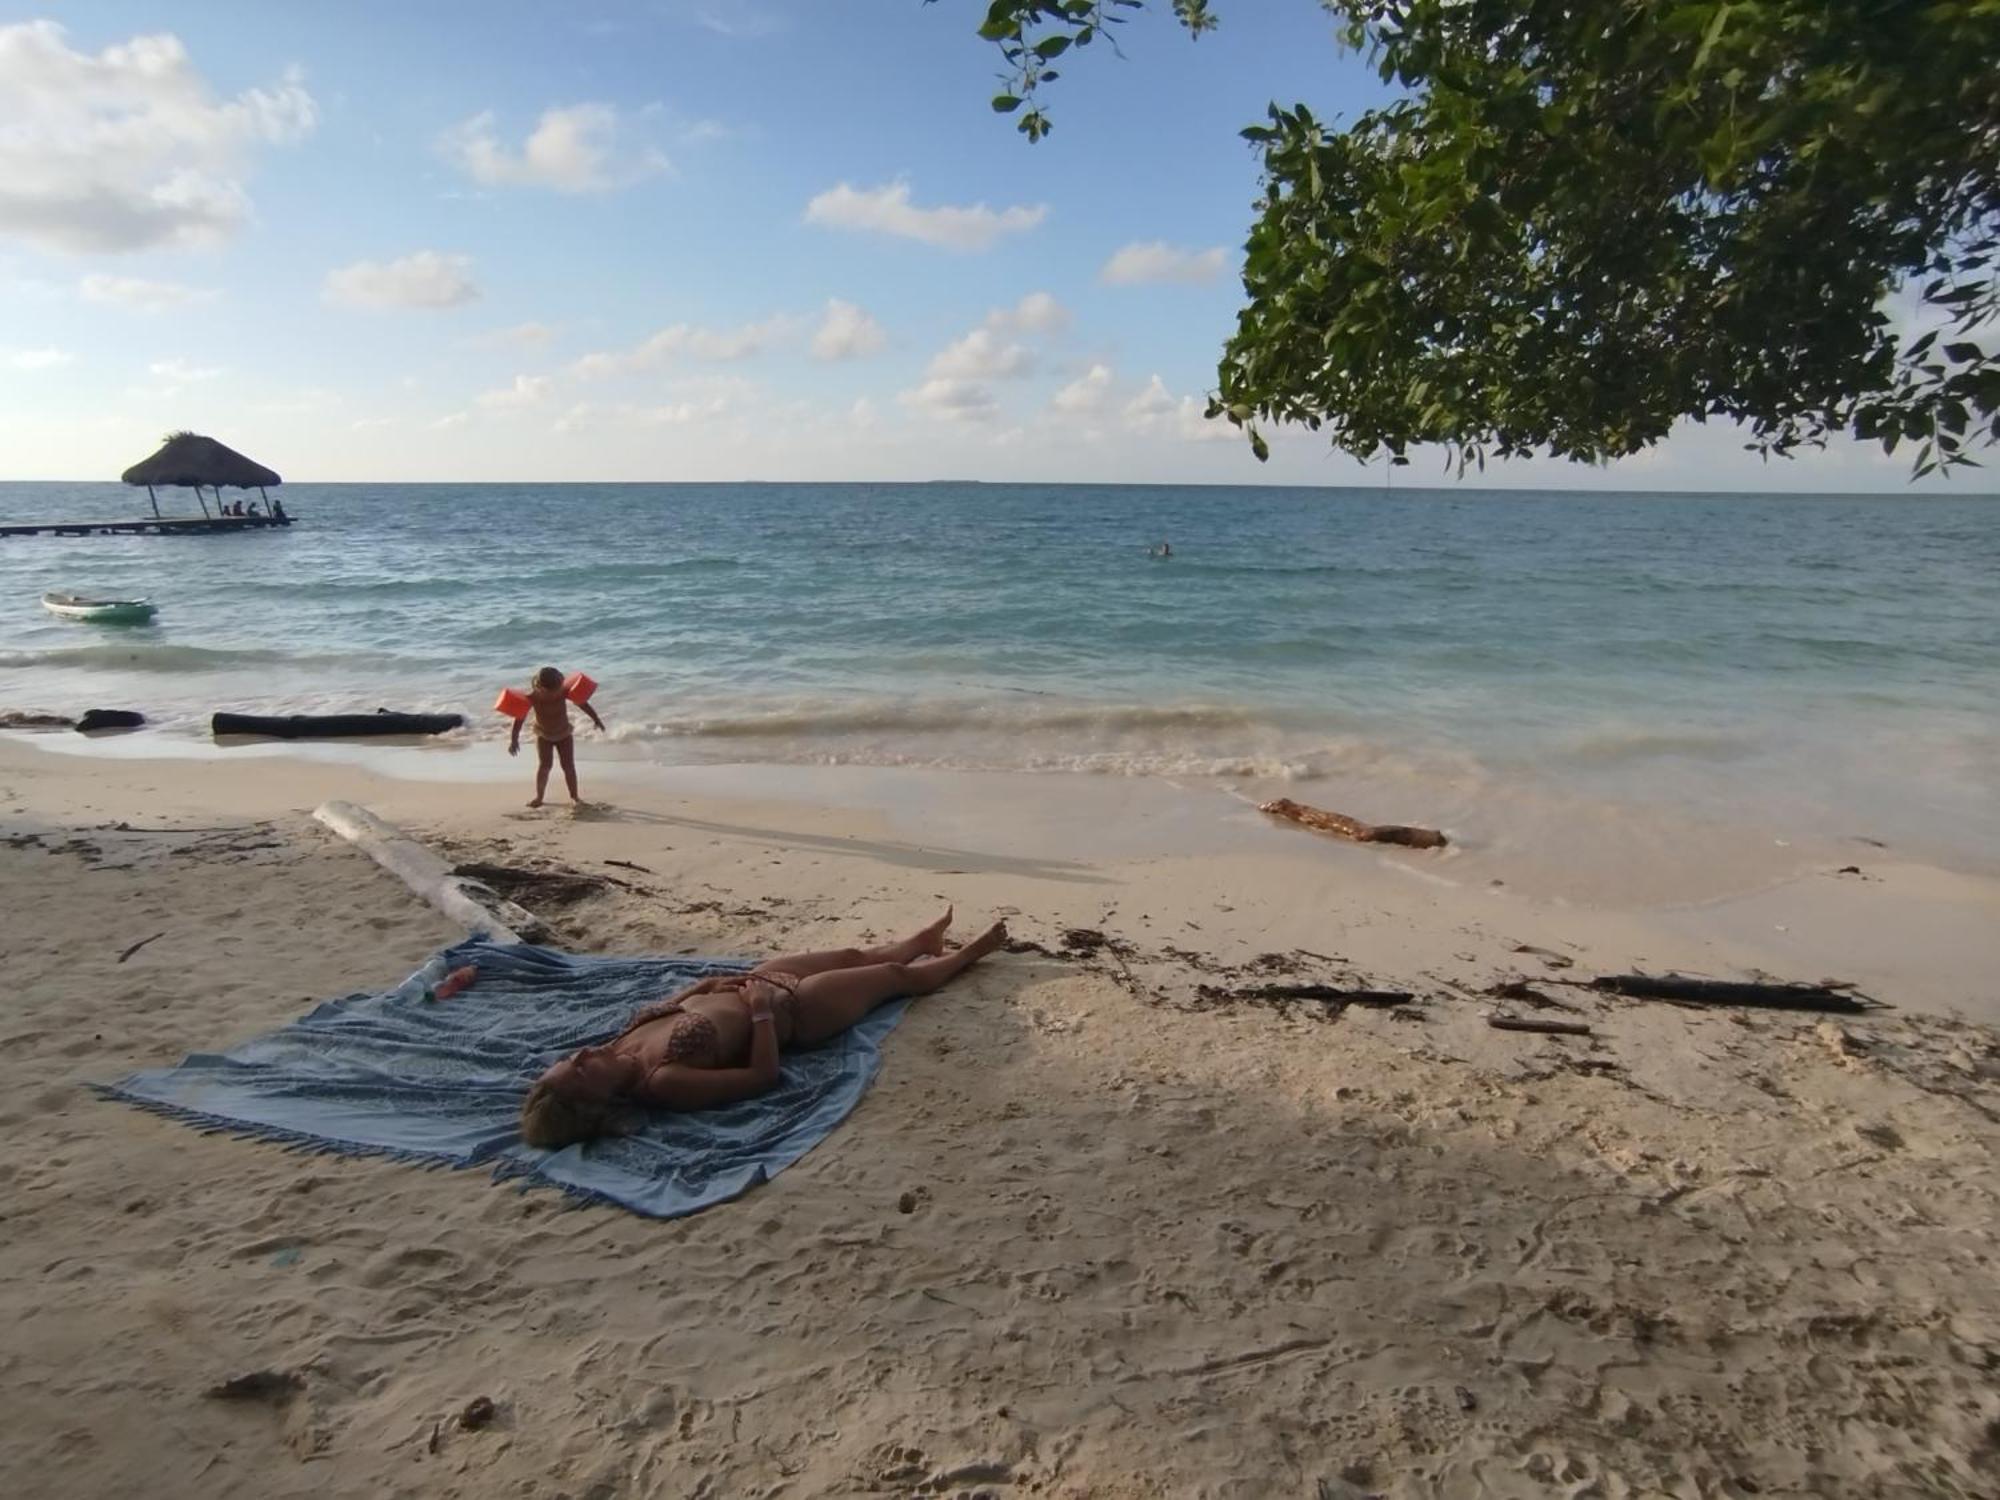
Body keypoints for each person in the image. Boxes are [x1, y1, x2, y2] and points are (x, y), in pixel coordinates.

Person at [520, 909, 1007, 1146]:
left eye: (569, 1060)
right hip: (796, 1013)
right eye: (579, 1071)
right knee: (891, 979)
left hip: (754, 982)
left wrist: (704, 985)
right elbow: (762, 1077)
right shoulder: (663, 1081)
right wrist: (760, 1013)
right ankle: (968, 957)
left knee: (854, 955)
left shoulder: (614, 1049)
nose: (581, 1055)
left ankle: (919, 941)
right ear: (598, 1103)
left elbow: (668, 1007)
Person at [509, 666, 605, 807]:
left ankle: (574, 797)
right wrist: (514, 739)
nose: (555, 693)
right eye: (551, 691)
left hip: (564, 733)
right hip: (543, 734)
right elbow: (519, 718)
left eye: (558, 688)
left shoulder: (564, 691)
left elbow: (582, 704)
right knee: (545, 766)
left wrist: (596, 719)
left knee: (568, 766)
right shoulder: (532, 697)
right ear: (540, 687)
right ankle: (539, 797)